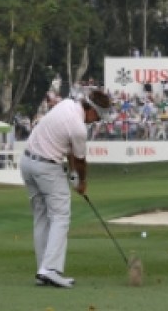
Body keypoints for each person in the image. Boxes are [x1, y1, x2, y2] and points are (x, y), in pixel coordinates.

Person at [20, 89, 112, 289]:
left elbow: (69, 149)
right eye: (97, 117)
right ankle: (50, 270)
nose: (95, 121)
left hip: (27, 162)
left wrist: (72, 175)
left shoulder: (67, 105)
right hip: (46, 166)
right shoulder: (79, 127)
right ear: (92, 110)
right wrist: (82, 182)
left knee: (42, 217)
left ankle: (42, 270)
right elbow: (80, 160)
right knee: (61, 215)